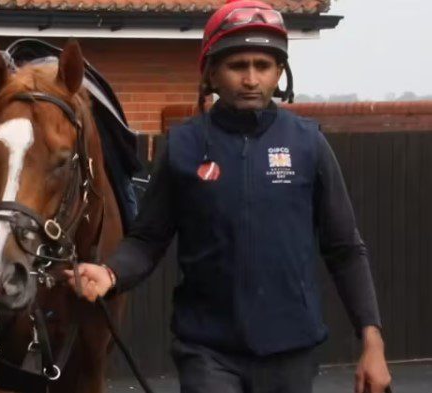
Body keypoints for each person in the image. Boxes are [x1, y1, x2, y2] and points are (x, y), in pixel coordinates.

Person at [65, 0, 392, 392]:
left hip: (291, 351)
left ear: (278, 74)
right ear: (212, 74)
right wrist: (111, 273)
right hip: (208, 351)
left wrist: (372, 341)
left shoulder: (308, 144)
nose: (251, 79)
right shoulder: (184, 146)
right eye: (238, 66)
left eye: (263, 66)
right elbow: (148, 239)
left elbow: (345, 249)